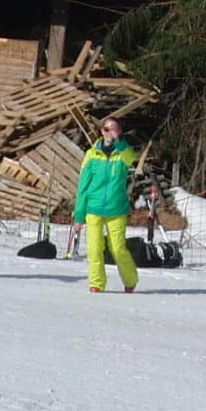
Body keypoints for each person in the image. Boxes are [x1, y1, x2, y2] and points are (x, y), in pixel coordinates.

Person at [72, 116, 140, 294]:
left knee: (117, 249)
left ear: (119, 131)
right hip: (93, 209)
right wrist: (79, 216)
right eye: (106, 129)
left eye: (114, 129)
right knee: (94, 249)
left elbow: (131, 159)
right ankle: (96, 284)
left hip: (116, 209)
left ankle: (130, 279)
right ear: (102, 132)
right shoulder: (91, 154)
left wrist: (120, 142)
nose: (110, 132)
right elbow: (83, 187)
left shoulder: (123, 153)